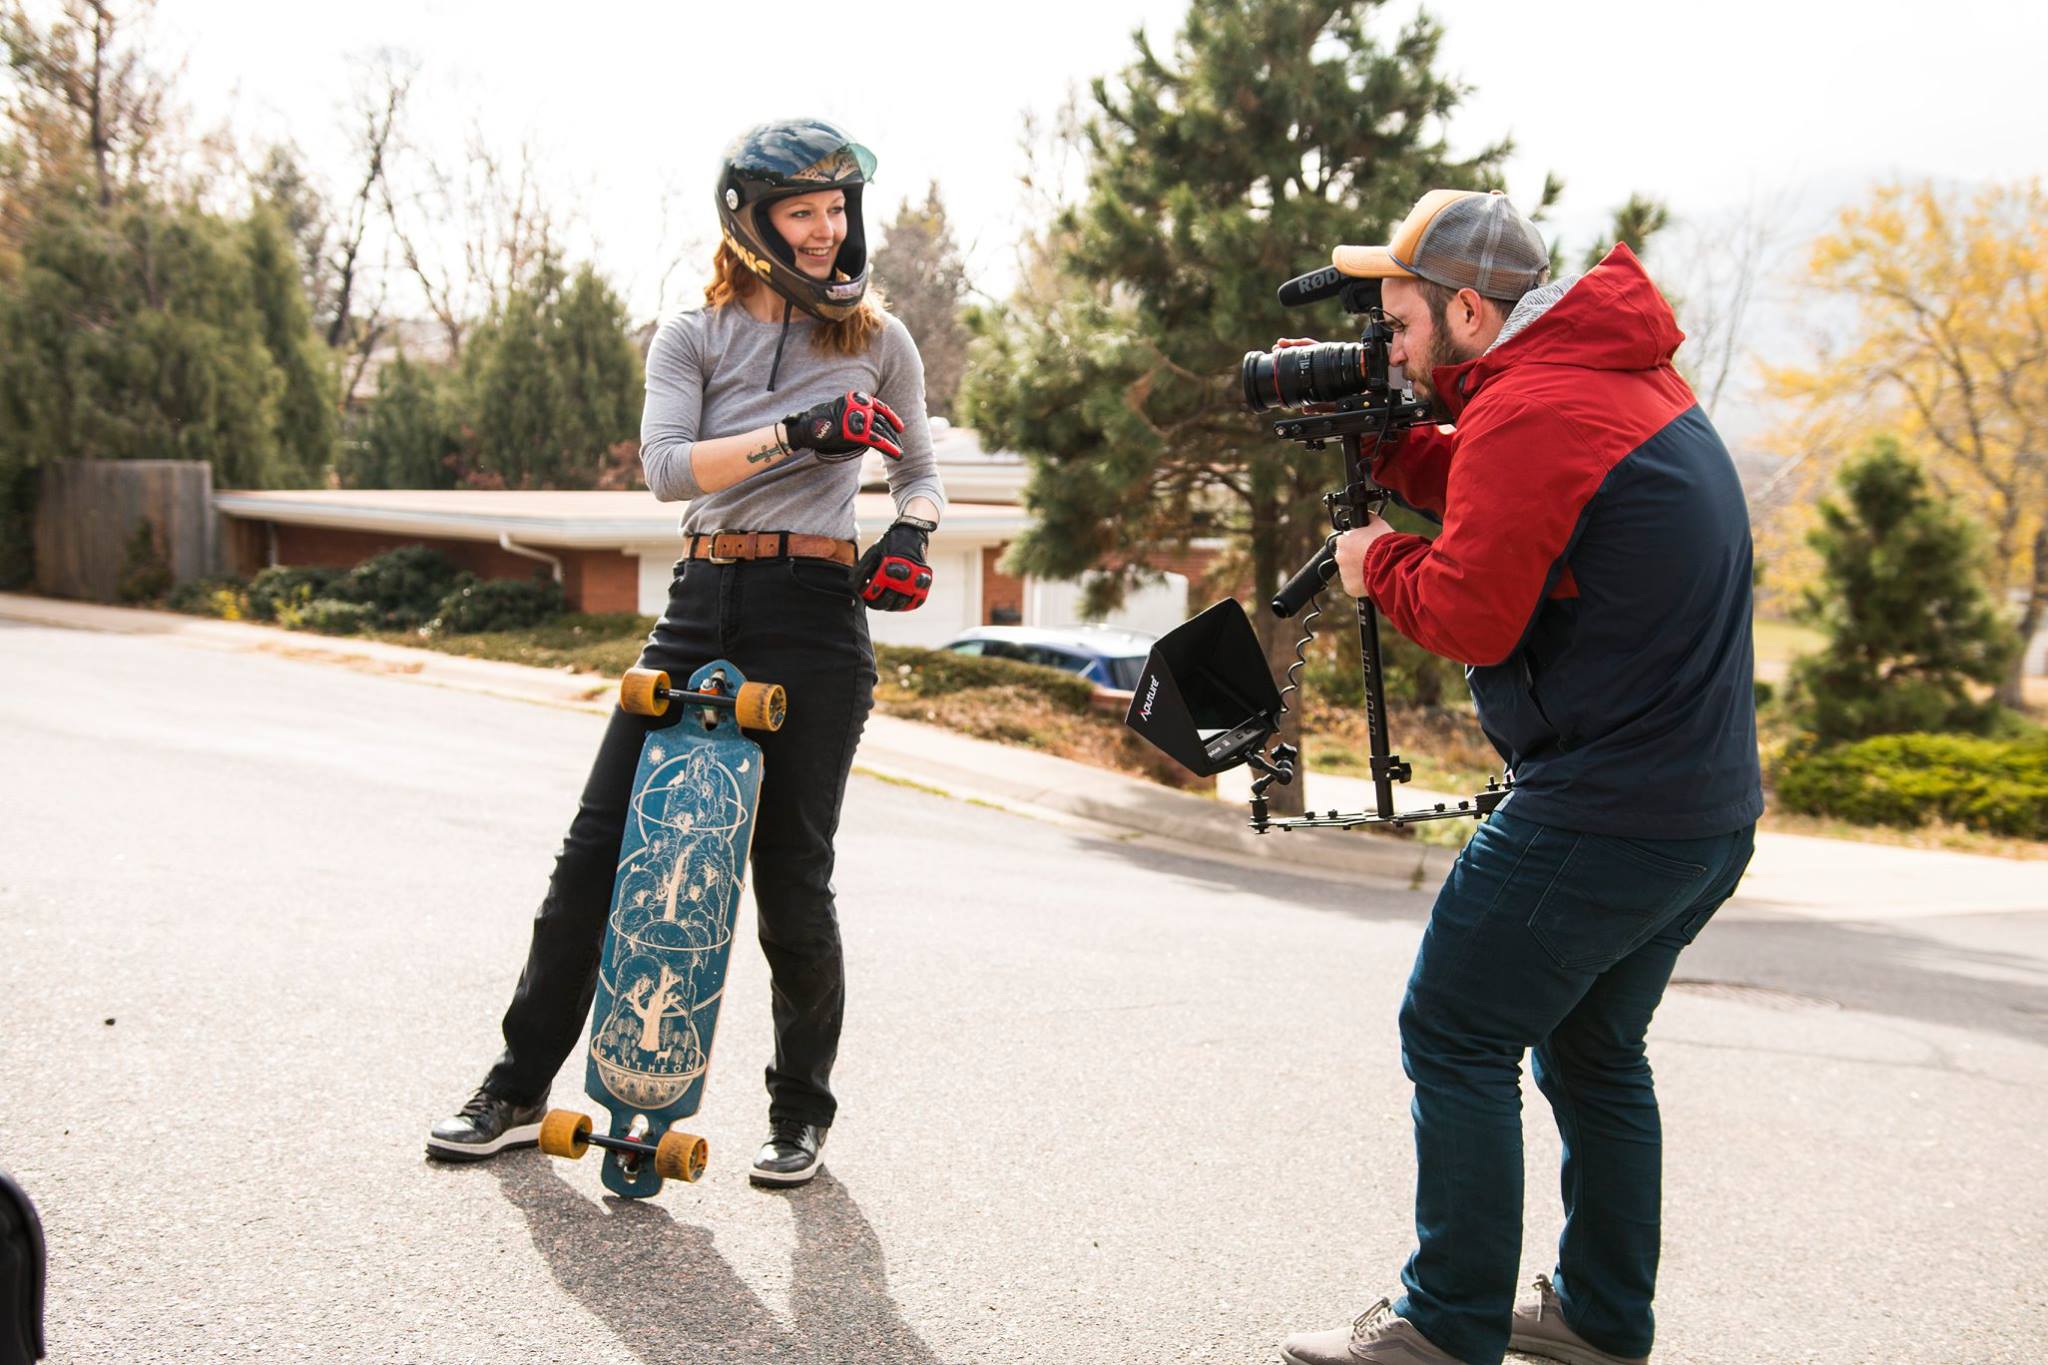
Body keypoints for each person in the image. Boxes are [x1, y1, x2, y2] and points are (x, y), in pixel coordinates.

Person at [1276, 190, 1762, 1365]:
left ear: (1463, 308)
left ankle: (1442, 1328)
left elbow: (1470, 610)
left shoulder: (1536, 405)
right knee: (1592, 1053)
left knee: (1452, 1030)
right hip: (1698, 813)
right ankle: (1597, 1316)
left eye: (1396, 322)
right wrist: (1396, 449)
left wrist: (1371, 557)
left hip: (1603, 809)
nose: (1386, 347)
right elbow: (1529, 505)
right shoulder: (1604, 378)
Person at [426, 118, 944, 1189]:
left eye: (836, 210)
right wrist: (799, 434)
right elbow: (667, 472)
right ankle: (518, 1090)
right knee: (596, 854)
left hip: (814, 608)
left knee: (791, 878)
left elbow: (922, 471)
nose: (823, 231)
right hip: (701, 599)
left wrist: (912, 531)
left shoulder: (881, 340)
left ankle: (798, 1114)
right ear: (751, 224)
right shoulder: (691, 334)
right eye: (800, 211)